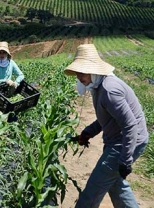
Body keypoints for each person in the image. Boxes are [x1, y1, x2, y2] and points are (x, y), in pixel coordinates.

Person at [64, 44, 149, 208]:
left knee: (94, 188)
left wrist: (125, 160)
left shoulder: (109, 91)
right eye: (77, 73)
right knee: (116, 185)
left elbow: (130, 125)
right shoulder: (98, 86)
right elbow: (108, 119)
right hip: (122, 139)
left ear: (94, 70)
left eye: (83, 72)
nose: (79, 77)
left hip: (126, 141)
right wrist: (88, 132)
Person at [0, 41, 24, 123]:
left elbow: (21, 75)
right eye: (0, 52)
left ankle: (9, 130)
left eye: (4, 52)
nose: (2, 54)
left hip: (6, 93)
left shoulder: (11, 63)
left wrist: (16, 83)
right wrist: (6, 81)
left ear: (7, 54)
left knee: (11, 114)